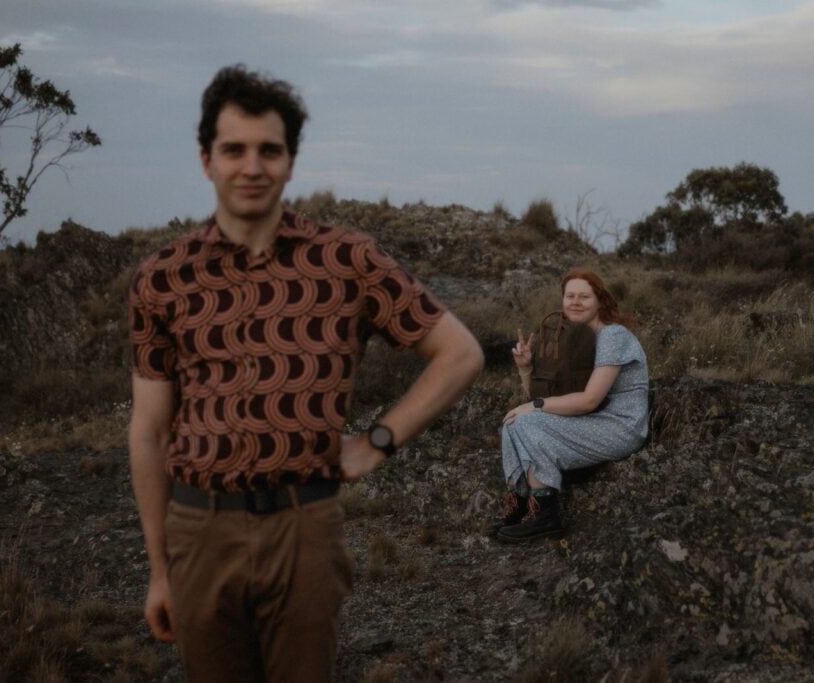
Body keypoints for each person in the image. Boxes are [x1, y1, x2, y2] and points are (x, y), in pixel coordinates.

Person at [128, 65, 484, 681]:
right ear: (205, 159)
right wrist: (160, 569)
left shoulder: (346, 259)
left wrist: (377, 441)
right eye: (233, 149)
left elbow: (460, 354)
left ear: (291, 162)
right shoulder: (163, 277)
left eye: (270, 150)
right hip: (199, 532)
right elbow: (150, 432)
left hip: (304, 529)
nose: (251, 166)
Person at [491, 270, 649, 542]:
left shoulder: (613, 335)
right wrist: (526, 370)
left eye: (584, 296)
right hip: (593, 421)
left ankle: (544, 515)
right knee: (513, 423)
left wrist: (536, 406)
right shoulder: (576, 339)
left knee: (527, 420)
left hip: (620, 426)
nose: (575, 302)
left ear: (599, 301)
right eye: (570, 296)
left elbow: (589, 400)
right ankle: (519, 504)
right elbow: (549, 400)